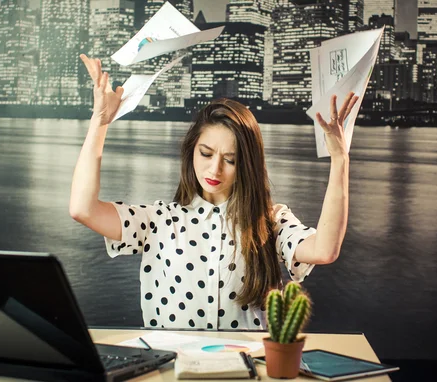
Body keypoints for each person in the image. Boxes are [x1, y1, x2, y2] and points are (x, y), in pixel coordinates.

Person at [70, 54, 359, 330]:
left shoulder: (269, 220)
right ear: (191, 151)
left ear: (247, 164)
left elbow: (324, 249)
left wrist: (340, 159)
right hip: (173, 369)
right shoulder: (158, 220)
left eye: (230, 160)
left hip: (246, 371)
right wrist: (100, 121)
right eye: (206, 153)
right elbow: (83, 209)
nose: (214, 170)